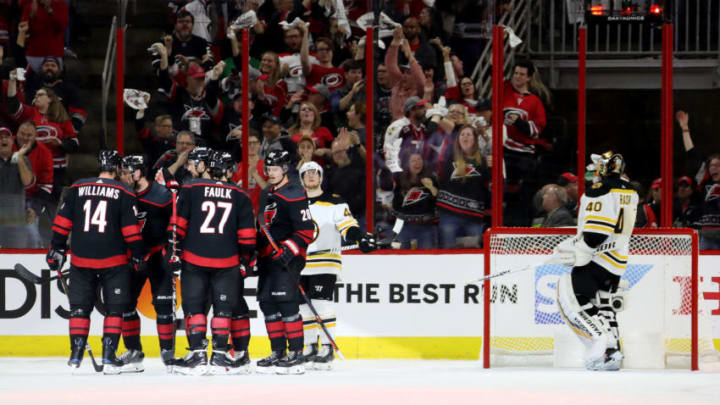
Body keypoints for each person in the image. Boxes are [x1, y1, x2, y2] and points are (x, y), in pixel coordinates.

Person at [46, 150, 145, 374]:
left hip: (82, 259)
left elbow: (62, 222)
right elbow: (131, 231)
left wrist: (57, 248)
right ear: (118, 168)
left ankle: (75, 355)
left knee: (79, 309)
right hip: (113, 260)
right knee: (114, 310)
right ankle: (109, 356)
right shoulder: (124, 191)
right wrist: (138, 254)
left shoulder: (78, 187)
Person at [170, 149, 256, 375]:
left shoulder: (190, 187)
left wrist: (173, 252)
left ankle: (198, 355)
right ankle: (219, 356)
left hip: (194, 259)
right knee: (223, 309)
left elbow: (177, 226)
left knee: (195, 307)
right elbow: (247, 236)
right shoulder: (241, 195)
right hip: (227, 262)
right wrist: (246, 259)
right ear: (229, 171)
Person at [554, 151, 638, 371]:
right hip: (617, 259)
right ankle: (613, 354)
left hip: (595, 258)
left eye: (596, 166)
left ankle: (602, 346)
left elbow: (596, 233)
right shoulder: (631, 189)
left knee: (574, 299)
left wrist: (578, 250)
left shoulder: (598, 191)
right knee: (605, 305)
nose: (592, 171)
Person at [297, 161, 376, 369]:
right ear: (301, 179)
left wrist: (360, 238)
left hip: (325, 261)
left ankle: (327, 348)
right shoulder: (295, 203)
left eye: (315, 173)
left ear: (321, 177)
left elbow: (348, 226)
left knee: (321, 303)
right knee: (303, 307)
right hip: (300, 262)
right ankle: (310, 346)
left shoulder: (335, 202)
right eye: (306, 174)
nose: (311, 176)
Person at [255, 150, 315, 375]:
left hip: (289, 258)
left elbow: (307, 231)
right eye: (268, 169)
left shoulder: (295, 193)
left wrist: (289, 250)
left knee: (286, 303)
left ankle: (296, 353)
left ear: (285, 169)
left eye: (275, 169)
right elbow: (261, 227)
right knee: (267, 303)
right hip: (267, 257)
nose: (271, 173)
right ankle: (278, 351)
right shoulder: (266, 193)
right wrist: (254, 253)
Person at [117, 155, 176, 373]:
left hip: (157, 256)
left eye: (128, 172)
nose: (124, 176)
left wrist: (171, 251)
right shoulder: (122, 194)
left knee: (163, 305)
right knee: (125, 304)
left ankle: (168, 353)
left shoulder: (162, 195)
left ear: (140, 172)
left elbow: (176, 223)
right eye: (122, 172)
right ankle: (134, 352)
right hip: (133, 257)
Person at [435, 125, 490, 248]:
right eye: (462, 134)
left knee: (474, 254)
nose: (465, 137)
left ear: (475, 139)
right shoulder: (448, 157)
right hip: (449, 214)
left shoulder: (483, 161)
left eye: (469, 134)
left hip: (473, 216)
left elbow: (489, 185)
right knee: (447, 252)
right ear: (458, 139)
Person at [0, 126, 35, 248]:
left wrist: (19, 157)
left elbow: (27, 182)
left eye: (6, 137)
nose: (3, 139)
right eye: (0, 137)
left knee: (18, 259)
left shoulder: (23, 159)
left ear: (11, 141)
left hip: (16, 224)